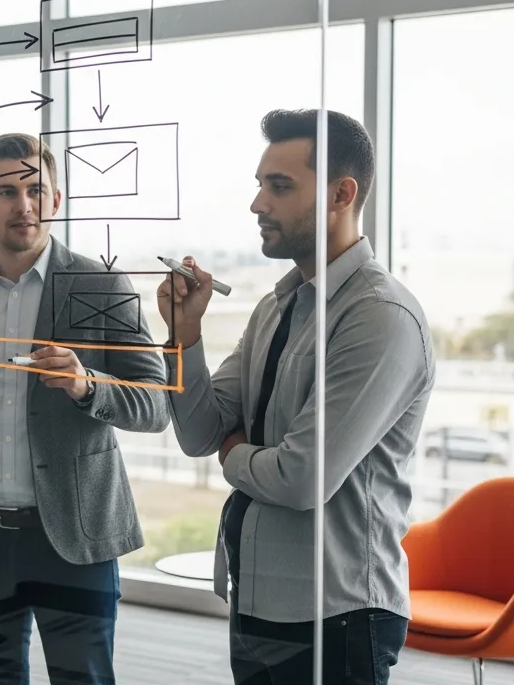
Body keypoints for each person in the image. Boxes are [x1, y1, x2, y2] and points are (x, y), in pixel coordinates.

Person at [158, 109, 433, 684]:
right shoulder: (275, 307)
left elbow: (301, 478)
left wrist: (233, 453)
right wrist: (185, 334)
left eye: (279, 187)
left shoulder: (380, 316)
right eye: (260, 185)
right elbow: (199, 433)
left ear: (341, 194)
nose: (257, 204)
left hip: (337, 615)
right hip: (256, 598)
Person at [0, 132, 171, 684]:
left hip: (75, 538)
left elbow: (155, 404)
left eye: (36, 190)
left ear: (56, 199)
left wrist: (87, 384)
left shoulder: (102, 285)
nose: (24, 205)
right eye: (6, 191)